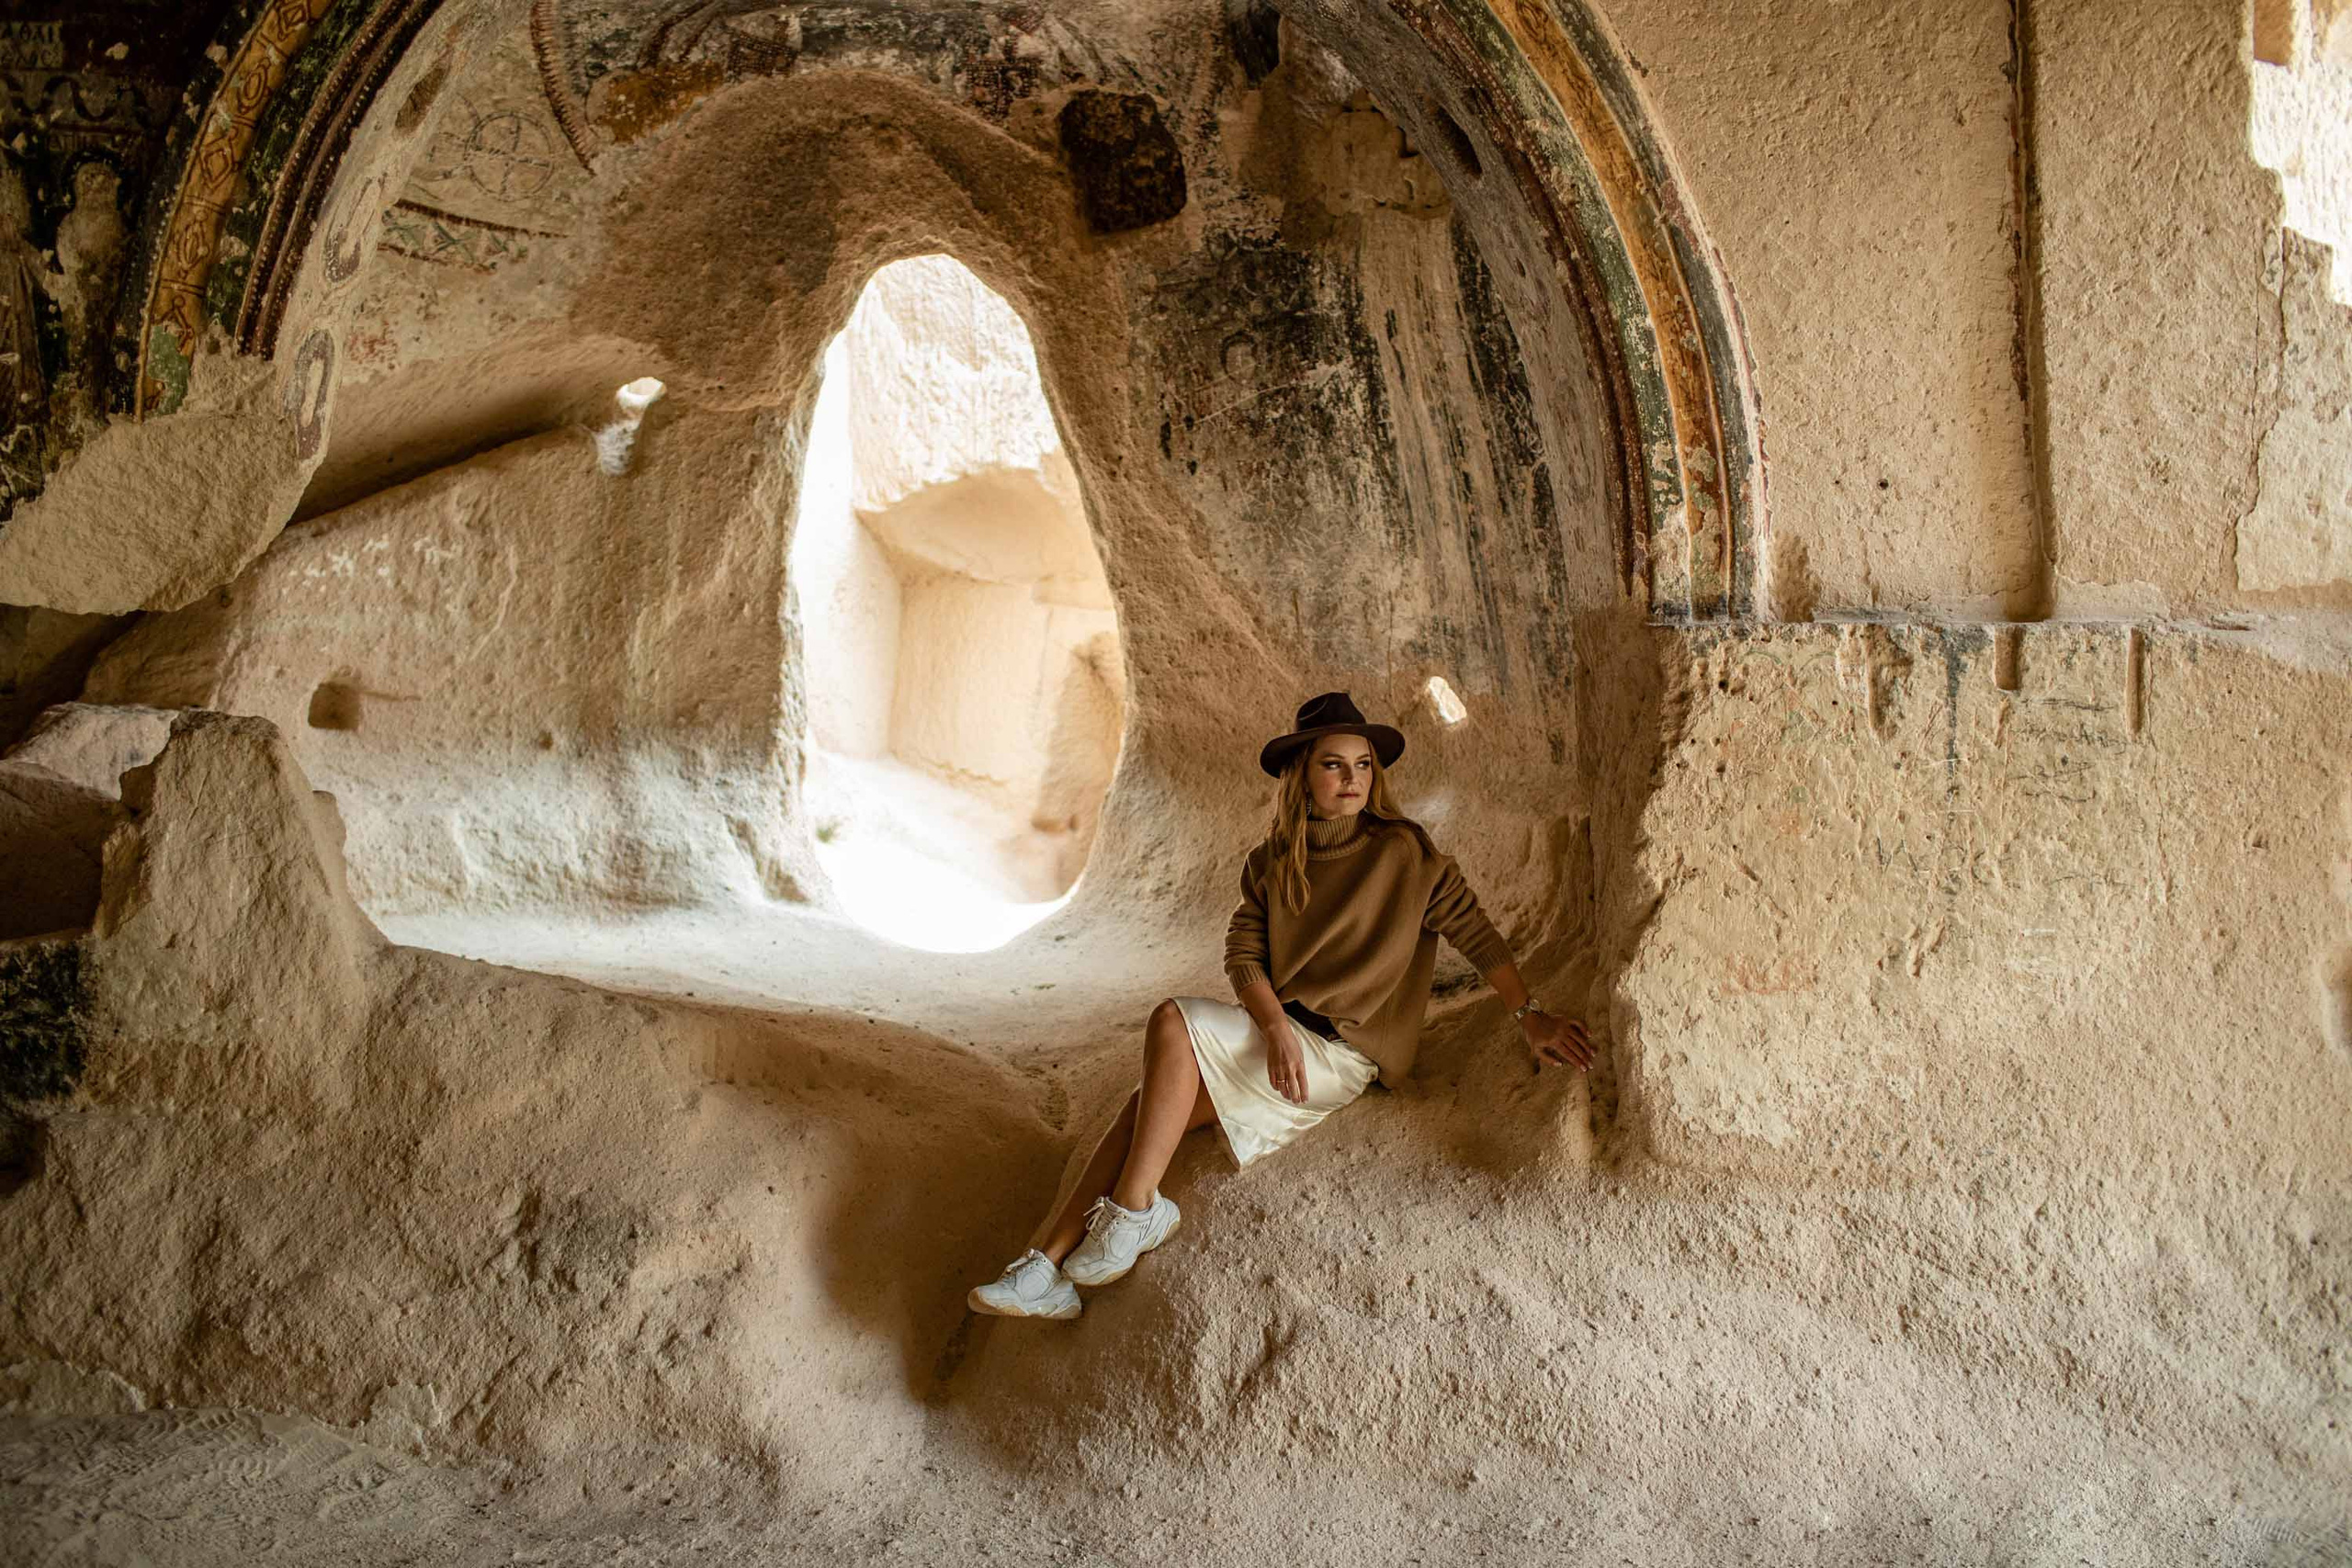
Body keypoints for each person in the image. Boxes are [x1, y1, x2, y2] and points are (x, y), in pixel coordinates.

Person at [968, 691, 1595, 1320]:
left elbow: (1475, 931)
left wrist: (1527, 1013)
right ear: (1303, 775)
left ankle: (1137, 1210)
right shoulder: (1274, 860)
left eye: (1363, 765)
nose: (1351, 778)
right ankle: (1043, 1269)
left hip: (1343, 1052)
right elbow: (1244, 952)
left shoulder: (1402, 850)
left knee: (1170, 1018)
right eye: (1333, 764)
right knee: (1143, 1112)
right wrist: (1273, 1025)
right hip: (1281, 1036)